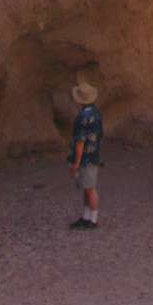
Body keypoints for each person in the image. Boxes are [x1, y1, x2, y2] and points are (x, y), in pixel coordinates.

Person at [68, 79, 103, 229]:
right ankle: (87, 216)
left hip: (85, 158)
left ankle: (93, 220)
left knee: (90, 188)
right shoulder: (96, 113)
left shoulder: (82, 117)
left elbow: (80, 142)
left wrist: (76, 163)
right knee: (87, 187)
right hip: (94, 155)